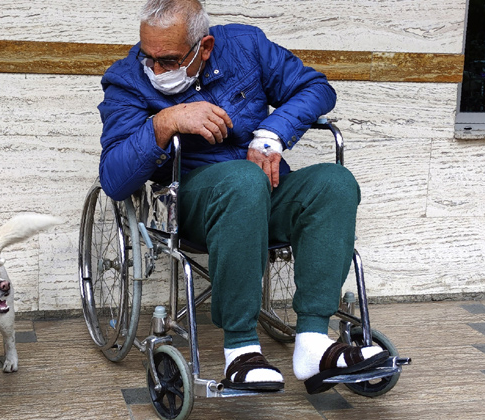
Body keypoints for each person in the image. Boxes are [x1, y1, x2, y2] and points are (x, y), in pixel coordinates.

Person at [98, 0, 386, 393]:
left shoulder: (246, 46)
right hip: (193, 198)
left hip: (265, 187)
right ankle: (241, 350)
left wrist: (273, 133)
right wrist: (164, 122)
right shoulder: (127, 79)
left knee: (334, 182)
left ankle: (314, 343)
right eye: (148, 57)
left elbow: (316, 87)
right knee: (242, 181)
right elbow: (114, 179)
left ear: (205, 47)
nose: (156, 70)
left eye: (167, 60)